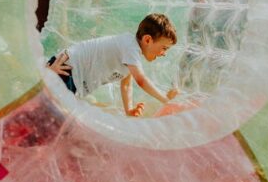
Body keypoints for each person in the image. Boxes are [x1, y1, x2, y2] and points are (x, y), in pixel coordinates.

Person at [48, 13, 179, 117]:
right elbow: (141, 81)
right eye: (164, 48)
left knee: (53, 117)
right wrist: (166, 100)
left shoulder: (130, 54)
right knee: (52, 118)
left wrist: (129, 110)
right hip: (66, 69)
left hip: (71, 75)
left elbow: (126, 85)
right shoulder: (130, 46)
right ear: (148, 39)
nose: (164, 53)